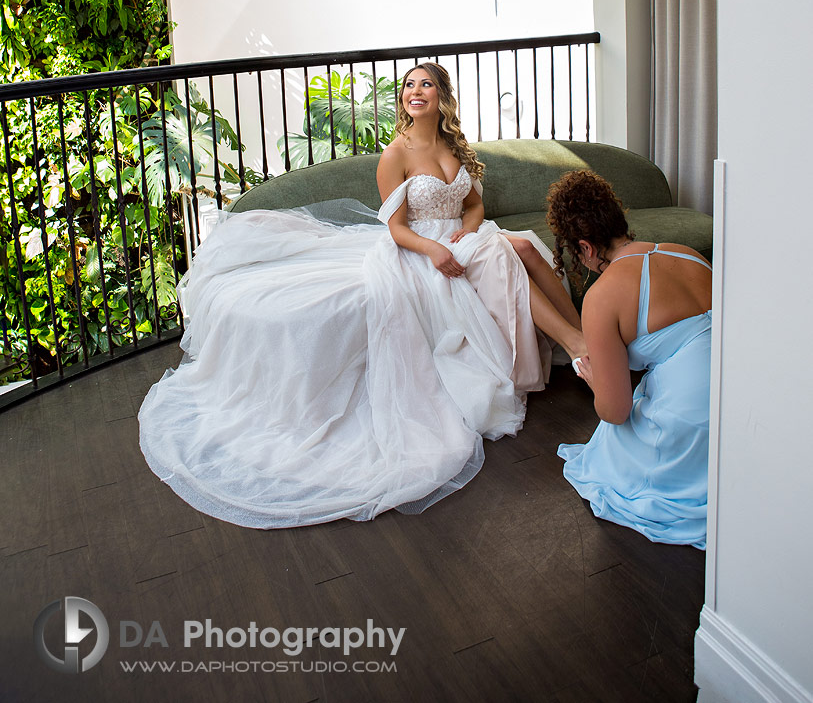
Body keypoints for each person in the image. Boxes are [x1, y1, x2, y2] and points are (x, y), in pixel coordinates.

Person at [138, 63, 584, 528]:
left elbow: (473, 205)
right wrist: (434, 248)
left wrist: (467, 234)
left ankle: (579, 333)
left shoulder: (454, 145)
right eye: (409, 85)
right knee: (508, 253)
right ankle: (578, 346)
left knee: (527, 246)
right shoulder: (396, 154)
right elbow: (394, 229)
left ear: (442, 97)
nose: (415, 92)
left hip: (463, 237)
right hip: (418, 249)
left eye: (426, 84)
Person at [547, 169, 712, 549]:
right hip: (741, 402)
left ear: (586, 247)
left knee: (608, 444)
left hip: (692, 426)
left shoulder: (602, 296)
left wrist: (594, 380)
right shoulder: (687, 254)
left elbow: (615, 410)